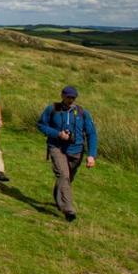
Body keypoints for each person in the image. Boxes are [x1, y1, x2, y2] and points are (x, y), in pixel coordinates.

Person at [36, 85, 98, 221]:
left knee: (67, 179)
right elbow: (41, 124)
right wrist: (57, 134)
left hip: (77, 151)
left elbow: (91, 133)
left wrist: (91, 155)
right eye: (68, 97)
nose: (71, 100)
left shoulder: (82, 113)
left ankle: (59, 200)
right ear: (62, 96)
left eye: (73, 97)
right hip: (56, 148)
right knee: (63, 175)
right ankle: (68, 210)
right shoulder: (52, 109)